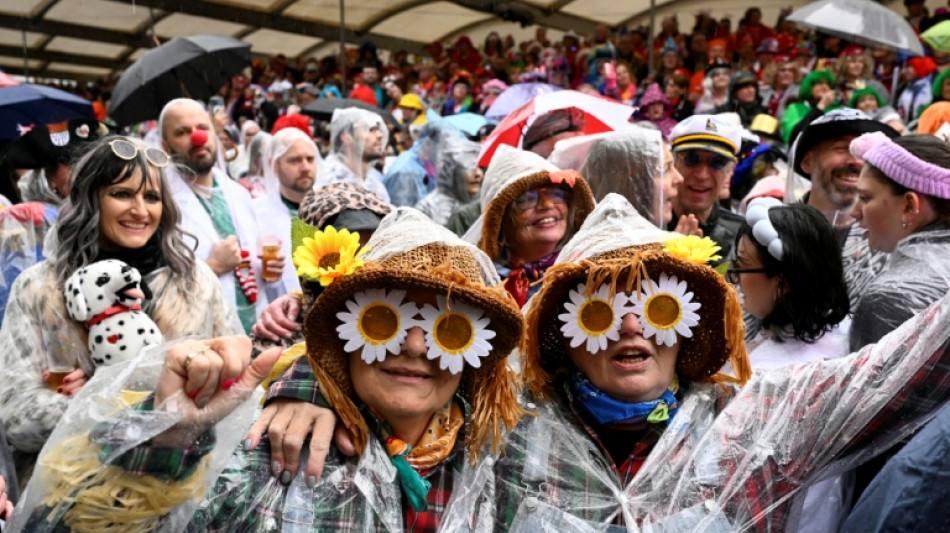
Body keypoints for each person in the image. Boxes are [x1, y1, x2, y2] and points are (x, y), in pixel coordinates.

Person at [15, 208, 526, 532]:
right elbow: (61, 523)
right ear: (340, 342)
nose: (415, 346)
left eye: (448, 328)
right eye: (383, 320)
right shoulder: (269, 452)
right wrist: (163, 441)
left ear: (476, 355)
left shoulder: (506, 466)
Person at [477, 194, 950, 531]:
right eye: (599, 313)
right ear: (565, 337)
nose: (631, 327)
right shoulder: (509, 434)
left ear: (687, 327)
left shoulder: (757, 420)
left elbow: (905, 366)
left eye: (656, 308)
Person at [0, 136, 242, 487]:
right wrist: (98, 405)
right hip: (71, 502)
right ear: (91, 198)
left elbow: (234, 387)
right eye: (122, 194)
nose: (140, 211)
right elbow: (14, 415)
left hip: (177, 494)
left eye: (152, 197)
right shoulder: (40, 289)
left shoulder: (195, 282)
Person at [730, 198, 854, 532]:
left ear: (782, 282)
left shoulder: (777, 377)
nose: (736, 279)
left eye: (742, 266)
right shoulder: (844, 333)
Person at [160, 98, 275, 332]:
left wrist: (269, 268)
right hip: (205, 342)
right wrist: (212, 266)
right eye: (183, 132)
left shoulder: (239, 194)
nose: (197, 138)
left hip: (259, 331)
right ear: (166, 147)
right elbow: (157, 295)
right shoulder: (159, 204)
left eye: (202, 128)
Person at [251, 182, 392, 347]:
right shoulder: (286, 334)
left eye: (373, 251)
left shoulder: (412, 318)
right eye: (347, 256)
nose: (362, 269)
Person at [848, 132, 950, 352]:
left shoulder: (888, 299)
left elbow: (864, 386)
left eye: (865, 198)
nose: (854, 212)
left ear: (908, 206)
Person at [791, 109, 899, 309]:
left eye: (865, 153)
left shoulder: (893, 236)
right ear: (807, 162)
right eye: (842, 148)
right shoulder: (773, 229)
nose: (856, 161)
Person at [463, 145, 595, 307]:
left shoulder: (591, 271)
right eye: (527, 198)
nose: (547, 204)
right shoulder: (479, 285)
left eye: (556, 193)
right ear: (500, 220)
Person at [665, 114, 745, 264]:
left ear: (731, 169)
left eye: (717, 162)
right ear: (673, 161)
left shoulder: (742, 238)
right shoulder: (644, 229)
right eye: (692, 159)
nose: (702, 175)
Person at [254, 127, 321, 298]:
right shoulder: (257, 215)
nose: (305, 167)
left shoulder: (333, 209)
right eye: (295, 160)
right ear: (274, 166)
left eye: (310, 159)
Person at [315, 108, 390, 203]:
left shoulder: (376, 186)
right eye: (370, 129)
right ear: (347, 138)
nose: (380, 135)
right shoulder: (327, 181)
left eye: (378, 129)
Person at [383, 120, 460, 207]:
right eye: (444, 146)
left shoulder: (426, 164)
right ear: (428, 143)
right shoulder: (406, 172)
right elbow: (402, 212)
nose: (447, 152)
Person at [414, 136, 482, 226]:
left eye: (479, 167)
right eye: (469, 167)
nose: (478, 174)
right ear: (450, 172)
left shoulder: (483, 203)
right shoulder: (428, 207)